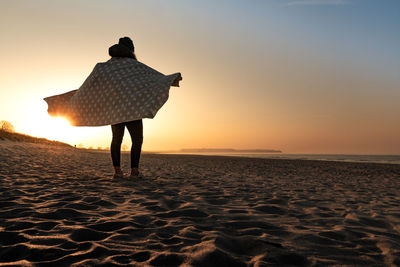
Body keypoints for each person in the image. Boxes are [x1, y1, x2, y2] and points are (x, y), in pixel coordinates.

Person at [108, 37, 181, 178]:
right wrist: (171, 79)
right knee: (137, 140)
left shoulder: (108, 66)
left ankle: (117, 172)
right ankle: (134, 171)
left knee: (116, 139)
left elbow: (98, 82)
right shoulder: (134, 66)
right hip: (132, 109)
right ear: (131, 50)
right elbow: (153, 78)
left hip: (114, 108)